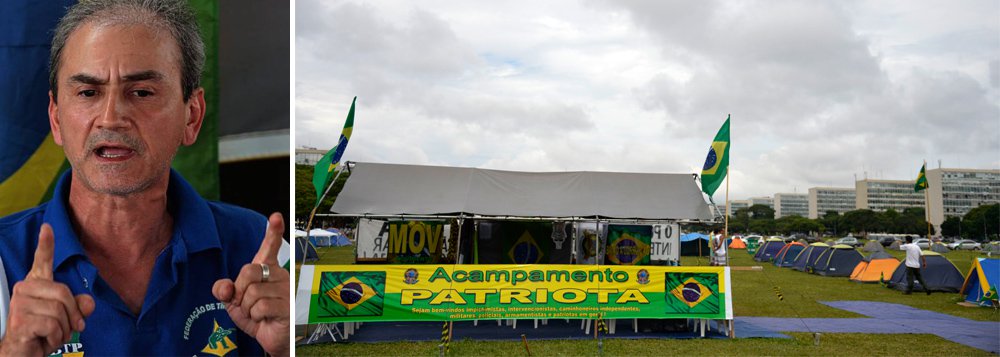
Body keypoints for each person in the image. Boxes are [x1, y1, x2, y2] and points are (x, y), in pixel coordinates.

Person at [0, 0, 290, 355]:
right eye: (88, 93)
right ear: (56, 119)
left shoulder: (258, 249)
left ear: (192, 116)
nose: (111, 118)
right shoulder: (4, 260)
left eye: (141, 93)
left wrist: (287, 346)